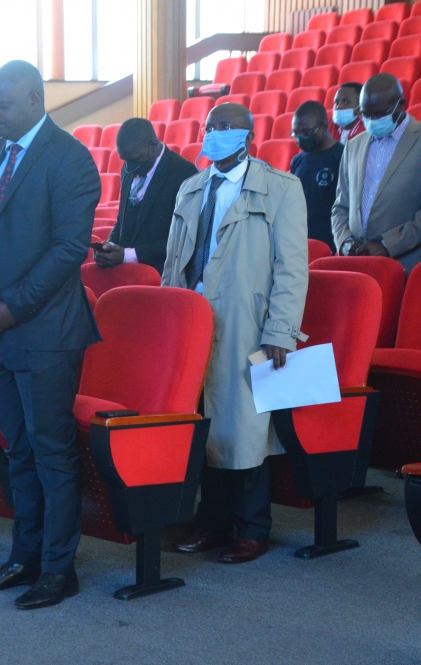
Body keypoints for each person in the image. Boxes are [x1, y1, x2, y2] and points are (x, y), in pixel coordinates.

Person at [0, 61, 101, 609]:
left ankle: (59, 569)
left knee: (51, 452)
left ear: (36, 100)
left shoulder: (69, 158)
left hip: (43, 333)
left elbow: (68, 250)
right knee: (16, 449)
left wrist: (11, 308)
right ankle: (24, 557)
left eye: (3, 104)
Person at [163, 103, 309, 564]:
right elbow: (173, 260)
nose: (214, 133)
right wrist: (166, 317)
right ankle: (210, 521)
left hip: (246, 321)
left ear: (248, 135)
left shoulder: (280, 187)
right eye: (210, 126)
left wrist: (281, 330)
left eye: (225, 126)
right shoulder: (191, 187)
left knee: (245, 428)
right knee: (204, 424)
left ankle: (252, 528)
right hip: (192, 318)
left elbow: (291, 267)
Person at [331, 74, 421, 272]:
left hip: (404, 265)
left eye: (379, 114)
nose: (371, 121)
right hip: (355, 263)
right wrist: (345, 241)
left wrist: (387, 245)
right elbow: (340, 206)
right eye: (365, 114)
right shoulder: (353, 145)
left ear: (401, 105)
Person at [93, 117, 196, 274]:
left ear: (153, 146)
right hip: (126, 272)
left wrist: (128, 255)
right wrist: (110, 245)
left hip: (163, 273)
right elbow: (122, 220)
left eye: (134, 160)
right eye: (124, 160)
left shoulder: (184, 173)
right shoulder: (130, 166)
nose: (128, 168)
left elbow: (183, 238)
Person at [289, 101, 343, 252]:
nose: (300, 138)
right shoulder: (298, 161)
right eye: (295, 134)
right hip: (301, 242)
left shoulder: (343, 156)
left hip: (332, 242)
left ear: (324, 127)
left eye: (305, 132)